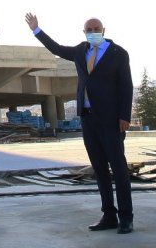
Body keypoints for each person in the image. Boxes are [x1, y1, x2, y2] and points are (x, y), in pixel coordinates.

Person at [25, 12, 134, 234]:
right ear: (84, 33)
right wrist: (36, 29)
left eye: (96, 29)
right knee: (100, 170)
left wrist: (125, 116)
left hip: (111, 120)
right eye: (89, 30)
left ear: (103, 31)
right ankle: (108, 215)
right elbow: (56, 49)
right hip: (89, 119)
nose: (93, 33)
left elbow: (126, 86)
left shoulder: (118, 54)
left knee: (119, 169)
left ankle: (126, 218)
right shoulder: (80, 51)